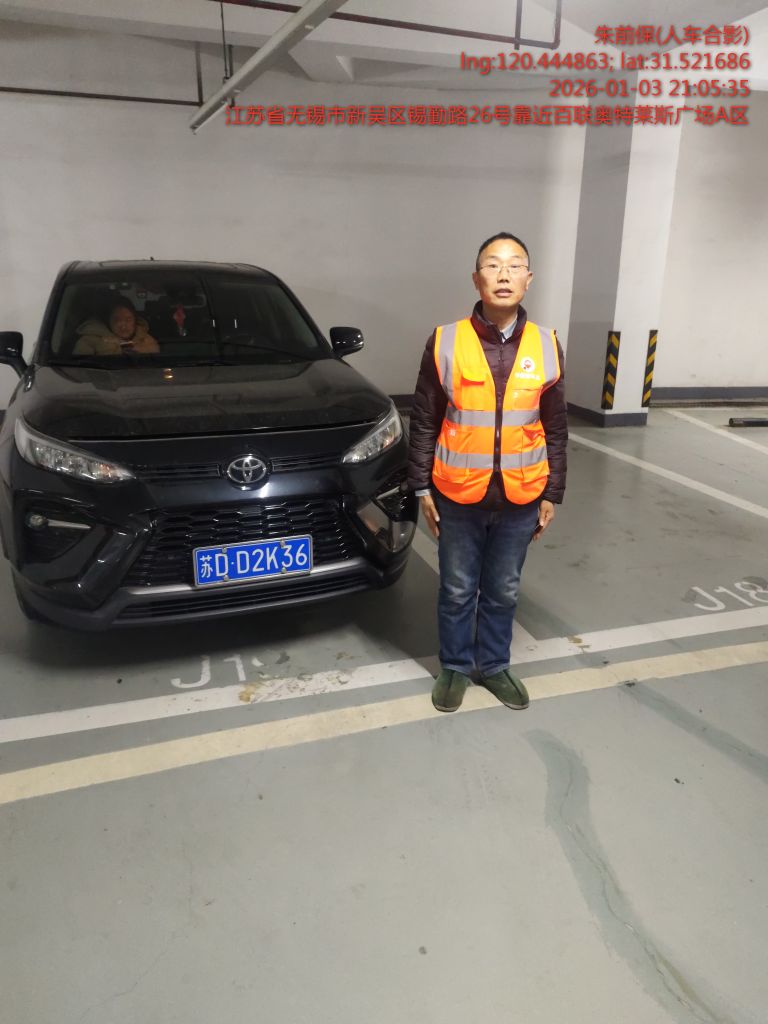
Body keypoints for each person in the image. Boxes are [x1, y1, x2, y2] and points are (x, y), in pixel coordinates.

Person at [407, 232, 568, 713]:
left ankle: (494, 665)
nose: (503, 274)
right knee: (457, 589)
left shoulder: (547, 344)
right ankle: (456, 666)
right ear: (476, 278)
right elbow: (424, 418)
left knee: (503, 590)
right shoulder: (445, 340)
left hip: (522, 495)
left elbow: (555, 426)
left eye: (514, 265)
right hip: (458, 493)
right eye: (492, 265)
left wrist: (552, 492)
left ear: (528, 279)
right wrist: (421, 487)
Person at [73, 298, 160, 356]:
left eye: (128, 319)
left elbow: (155, 358)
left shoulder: (145, 339)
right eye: (117, 320)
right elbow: (81, 369)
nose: (123, 324)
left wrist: (127, 346)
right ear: (108, 321)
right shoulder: (89, 340)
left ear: (135, 320)